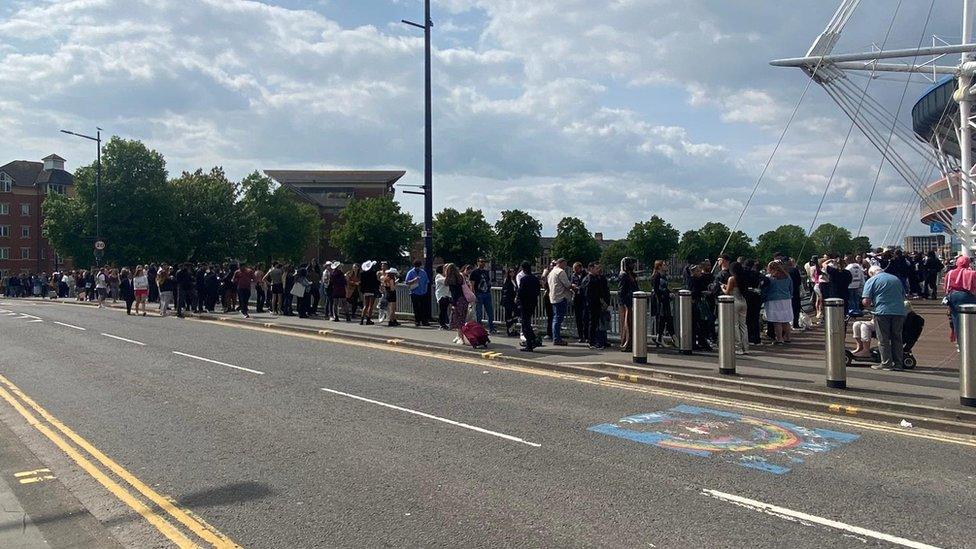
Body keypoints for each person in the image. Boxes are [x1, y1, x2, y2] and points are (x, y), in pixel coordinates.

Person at [862, 265, 907, 370]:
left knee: (883, 338)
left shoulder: (872, 280)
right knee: (897, 338)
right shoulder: (896, 279)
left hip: (882, 312)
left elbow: (866, 301)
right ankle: (898, 363)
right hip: (899, 311)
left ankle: (886, 363)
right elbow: (903, 295)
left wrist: (869, 305)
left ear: (871, 273)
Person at [945, 255, 976, 345]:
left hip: (953, 296)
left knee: (956, 319)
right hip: (968, 295)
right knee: (972, 318)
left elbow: (946, 287)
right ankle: (971, 339)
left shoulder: (950, 273)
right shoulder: (972, 273)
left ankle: (960, 341)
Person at [764, 261, 793, 345]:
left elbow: (766, 289)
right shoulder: (787, 276)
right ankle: (788, 337)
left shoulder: (770, 277)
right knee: (786, 320)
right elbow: (791, 288)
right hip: (786, 299)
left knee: (777, 321)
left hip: (774, 299)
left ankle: (779, 339)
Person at [723, 261, 749, 355]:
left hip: (734, 302)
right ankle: (746, 347)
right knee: (743, 326)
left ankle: (738, 347)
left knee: (735, 325)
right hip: (743, 301)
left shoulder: (732, 278)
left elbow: (727, 292)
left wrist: (723, 287)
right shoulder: (743, 278)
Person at [584, 262, 611, 349]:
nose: (598, 270)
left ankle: (597, 340)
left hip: (596, 303)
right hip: (593, 304)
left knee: (596, 323)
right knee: (593, 323)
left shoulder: (595, 278)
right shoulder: (590, 279)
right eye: (596, 268)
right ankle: (592, 341)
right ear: (591, 269)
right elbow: (589, 293)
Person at [516, 261, 542, 351]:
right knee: (527, 323)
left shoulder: (523, 279)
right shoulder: (535, 279)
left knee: (525, 324)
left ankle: (530, 343)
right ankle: (533, 340)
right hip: (533, 303)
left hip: (525, 304)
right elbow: (538, 291)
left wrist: (518, 300)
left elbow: (520, 292)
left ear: (523, 269)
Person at [547, 258, 572, 346]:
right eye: (565, 264)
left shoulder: (551, 272)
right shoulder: (561, 272)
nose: (565, 267)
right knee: (558, 319)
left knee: (555, 318)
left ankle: (556, 337)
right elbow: (567, 284)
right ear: (561, 263)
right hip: (561, 297)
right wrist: (573, 287)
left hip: (553, 297)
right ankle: (557, 339)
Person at [650, 259, 674, 346]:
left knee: (665, 319)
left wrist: (669, 293)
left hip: (664, 300)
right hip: (659, 301)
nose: (666, 266)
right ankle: (662, 336)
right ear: (659, 266)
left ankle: (661, 337)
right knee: (660, 318)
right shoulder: (656, 276)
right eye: (664, 265)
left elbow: (665, 288)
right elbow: (656, 289)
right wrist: (661, 297)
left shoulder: (663, 276)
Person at [618, 257, 639, 352]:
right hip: (627, 303)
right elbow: (621, 290)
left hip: (632, 302)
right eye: (631, 264)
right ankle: (626, 343)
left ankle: (631, 343)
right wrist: (624, 303)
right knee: (627, 324)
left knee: (631, 323)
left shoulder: (631, 275)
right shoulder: (624, 275)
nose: (633, 265)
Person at [444, 264, 469, 344]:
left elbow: (454, 294)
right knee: (461, 319)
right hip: (464, 300)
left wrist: (454, 304)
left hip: (457, 301)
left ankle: (461, 338)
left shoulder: (451, 280)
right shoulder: (460, 277)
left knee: (458, 320)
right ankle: (458, 336)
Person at [469, 259, 495, 333]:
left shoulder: (486, 272)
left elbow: (488, 281)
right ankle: (479, 329)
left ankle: (491, 328)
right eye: (481, 261)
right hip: (478, 293)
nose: (483, 263)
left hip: (487, 293)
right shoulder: (474, 272)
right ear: (478, 262)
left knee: (490, 311)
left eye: (484, 262)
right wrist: (474, 295)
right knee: (479, 312)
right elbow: (472, 285)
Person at [405, 260, 430, 327]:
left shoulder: (423, 272)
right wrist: (414, 280)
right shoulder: (410, 272)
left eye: (418, 266)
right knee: (416, 308)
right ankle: (417, 321)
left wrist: (425, 290)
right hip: (414, 292)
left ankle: (424, 321)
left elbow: (427, 282)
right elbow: (407, 282)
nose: (417, 268)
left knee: (423, 307)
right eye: (416, 266)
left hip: (423, 292)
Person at [571, 262, 588, 344]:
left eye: (576, 269)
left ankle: (586, 336)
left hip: (584, 298)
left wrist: (578, 288)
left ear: (580, 268)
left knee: (585, 318)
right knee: (578, 318)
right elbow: (571, 284)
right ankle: (581, 336)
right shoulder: (573, 276)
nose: (575, 271)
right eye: (574, 269)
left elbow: (585, 285)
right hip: (576, 298)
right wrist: (572, 287)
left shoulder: (586, 275)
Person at [500, 268, 519, 337]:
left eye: (513, 271)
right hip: (508, 301)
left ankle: (513, 328)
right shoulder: (507, 280)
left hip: (513, 301)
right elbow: (506, 291)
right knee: (508, 316)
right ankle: (509, 330)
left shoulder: (514, 280)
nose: (512, 273)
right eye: (511, 272)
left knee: (516, 314)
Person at [360, 260, 379, 325]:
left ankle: (362, 319)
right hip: (372, 290)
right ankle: (368, 319)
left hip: (365, 291)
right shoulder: (373, 273)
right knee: (371, 306)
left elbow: (361, 284)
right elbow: (376, 282)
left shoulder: (362, 274)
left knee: (365, 305)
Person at [434, 265, 451, 330]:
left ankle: (445, 323)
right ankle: (442, 324)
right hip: (441, 296)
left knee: (445, 310)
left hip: (446, 295)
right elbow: (446, 282)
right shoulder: (438, 276)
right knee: (442, 310)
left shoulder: (443, 276)